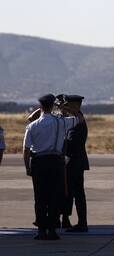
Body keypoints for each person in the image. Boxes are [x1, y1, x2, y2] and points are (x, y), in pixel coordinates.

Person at [23, 94, 84, 240]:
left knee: (40, 197)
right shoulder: (61, 122)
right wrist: (63, 108)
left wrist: (27, 167)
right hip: (55, 161)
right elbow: (80, 119)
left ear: (40, 107)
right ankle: (52, 229)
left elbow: (26, 150)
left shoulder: (32, 126)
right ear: (53, 106)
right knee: (55, 196)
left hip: (38, 161)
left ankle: (41, 230)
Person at [52, 94, 90, 233]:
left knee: (73, 193)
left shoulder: (77, 122)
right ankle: (71, 220)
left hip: (73, 161)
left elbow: (70, 144)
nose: (65, 108)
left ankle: (79, 222)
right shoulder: (73, 120)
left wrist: (55, 143)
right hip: (74, 162)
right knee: (73, 193)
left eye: (67, 105)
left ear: (74, 106)